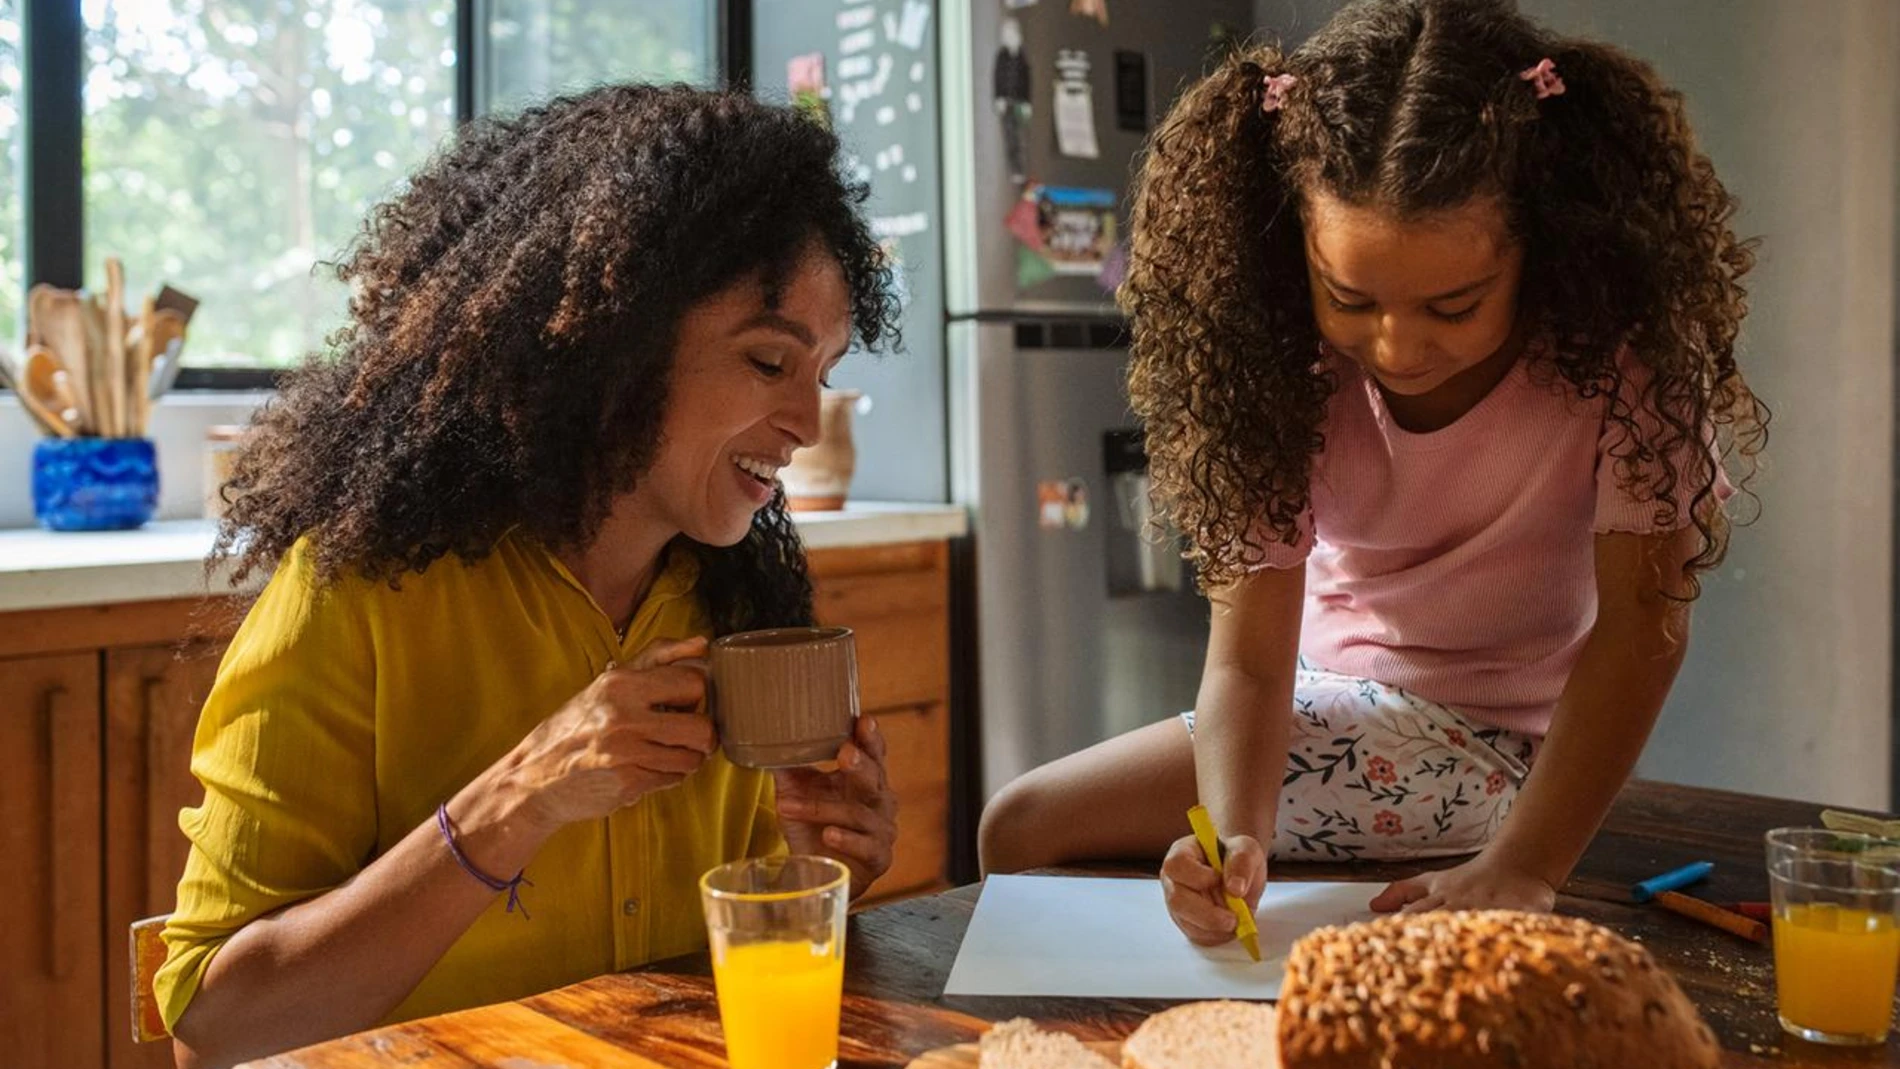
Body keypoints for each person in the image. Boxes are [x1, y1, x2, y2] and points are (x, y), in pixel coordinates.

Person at [978, 0, 1768, 949]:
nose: (1396, 347)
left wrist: (1526, 863)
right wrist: (1234, 836)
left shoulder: (1624, 361)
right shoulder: (1278, 361)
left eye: (1454, 305)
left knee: (1024, 827)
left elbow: (1644, 627)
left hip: (1488, 744)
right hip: (1326, 700)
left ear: (1544, 242)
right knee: (1017, 831)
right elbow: (1250, 659)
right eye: (1350, 297)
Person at [159, 85, 904, 1069]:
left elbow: (732, 989)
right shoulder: (357, 599)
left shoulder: (735, 608)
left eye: (824, 373)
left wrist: (826, 865)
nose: (807, 424)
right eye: (771, 361)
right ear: (615, 341)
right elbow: (216, 1028)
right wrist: (519, 800)